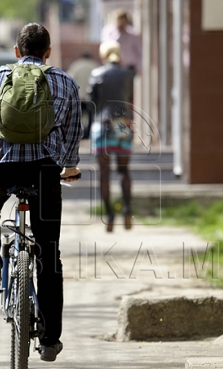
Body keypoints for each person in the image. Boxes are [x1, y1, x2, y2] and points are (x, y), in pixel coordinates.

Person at [0, 23, 82, 362]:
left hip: (1, 164)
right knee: (49, 253)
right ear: (48, 52)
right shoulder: (65, 82)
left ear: (17, 52)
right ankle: (50, 340)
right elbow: (73, 132)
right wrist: (69, 166)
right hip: (44, 169)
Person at [88, 40, 135, 232]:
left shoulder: (97, 74)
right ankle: (127, 209)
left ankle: (109, 215)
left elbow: (92, 102)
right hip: (122, 123)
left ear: (103, 55)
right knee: (124, 171)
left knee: (104, 173)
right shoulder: (128, 73)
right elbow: (128, 97)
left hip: (102, 123)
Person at [66, 52, 99, 140]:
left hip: (78, 96)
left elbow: (69, 79)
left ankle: (79, 134)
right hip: (91, 97)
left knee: (78, 117)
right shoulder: (95, 66)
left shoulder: (76, 65)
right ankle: (89, 134)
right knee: (91, 117)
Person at [101, 8, 142, 74]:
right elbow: (105, 48)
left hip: (128, 67)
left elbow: (138, 53)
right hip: (113, 66)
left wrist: (139, 68)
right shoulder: (108, 32)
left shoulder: (133, 35)